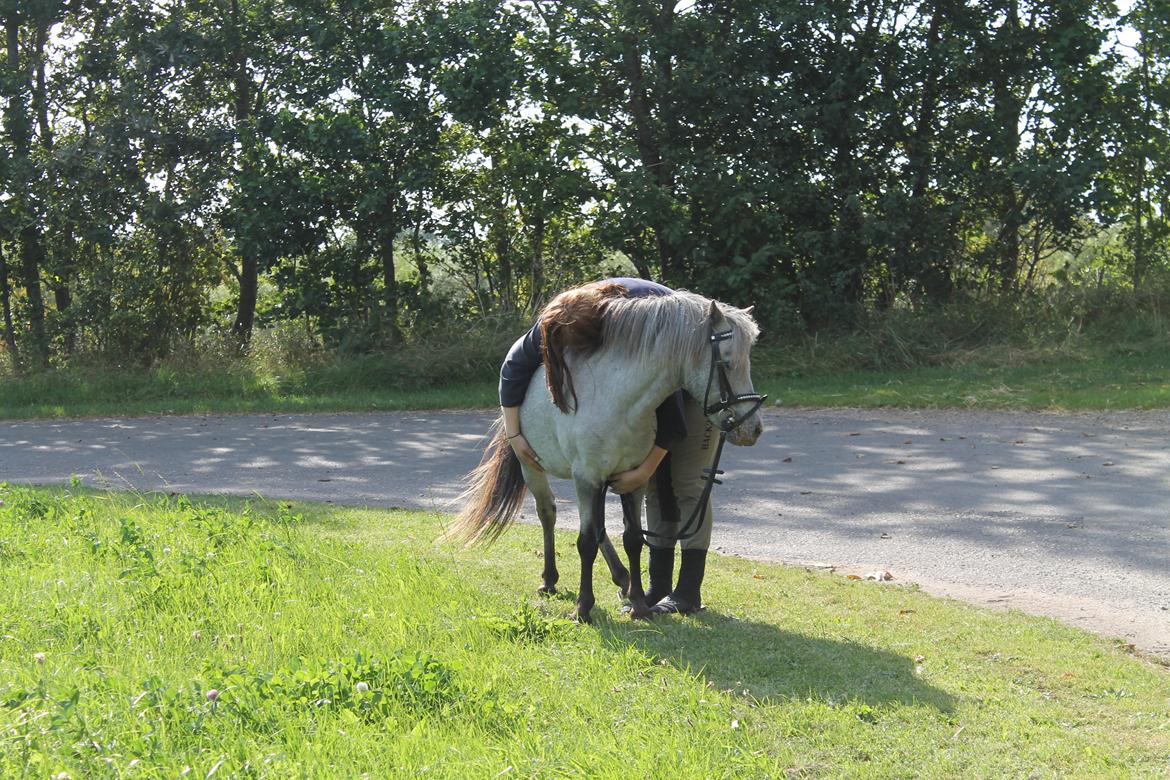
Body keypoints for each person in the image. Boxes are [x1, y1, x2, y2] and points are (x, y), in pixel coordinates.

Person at [498, 277, 718, 614]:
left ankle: (688, 592)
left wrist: (643, 469)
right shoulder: (560, 317)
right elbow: (513, 368)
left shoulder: (633, 333)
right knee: (659, 491)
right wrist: (514, 435)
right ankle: (656, 587)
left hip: (698, 380)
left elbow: (672, 418)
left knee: (687, 484)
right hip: (659, 368)